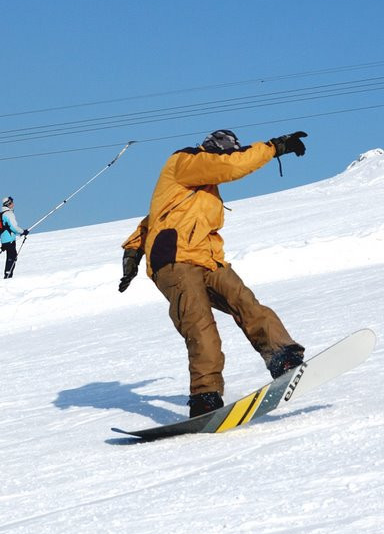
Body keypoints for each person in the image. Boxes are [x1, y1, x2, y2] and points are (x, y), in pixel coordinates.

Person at [118, 128, 309, 418]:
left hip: (206, 259)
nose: (229, 156)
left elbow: (157, 216)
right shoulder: (186, 160)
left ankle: (282, 357)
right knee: (200, 325)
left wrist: (133, 249)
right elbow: (231, 166)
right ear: (212, 149)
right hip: (175, 260)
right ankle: (204, 396)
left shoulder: (201, 185)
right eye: (225, 152)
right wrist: (274, 147)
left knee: (244, 302)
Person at [0, 196, 28, 279]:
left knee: (10, 256)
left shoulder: (1, 214)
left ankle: (8, 274)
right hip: (10, 239)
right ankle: (8, 275)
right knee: (12, 257)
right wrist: (23, 231)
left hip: (4, 240)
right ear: (8, 204)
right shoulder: (9, 214)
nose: (13, 204)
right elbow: (14, 227)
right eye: (11, 203)